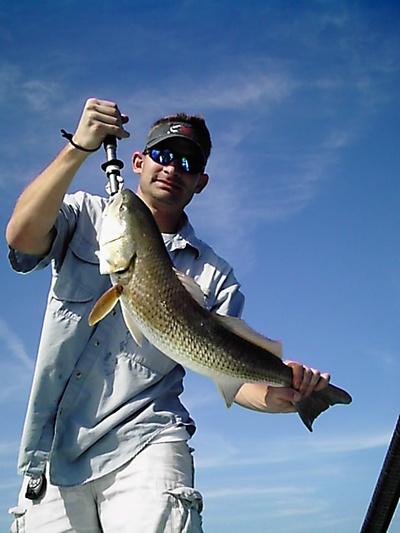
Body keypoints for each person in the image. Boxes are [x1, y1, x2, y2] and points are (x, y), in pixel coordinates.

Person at [6, 98, 330, 533]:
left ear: (201, 182)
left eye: (187, 163)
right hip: (53, 451)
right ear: (138, 161)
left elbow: (233, 373)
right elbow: (21, 239)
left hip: (149, 441)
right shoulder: (87, 213)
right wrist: (78, 148)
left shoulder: (216, 276)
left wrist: (284, 394)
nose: (172, 168)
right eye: (162, 154)